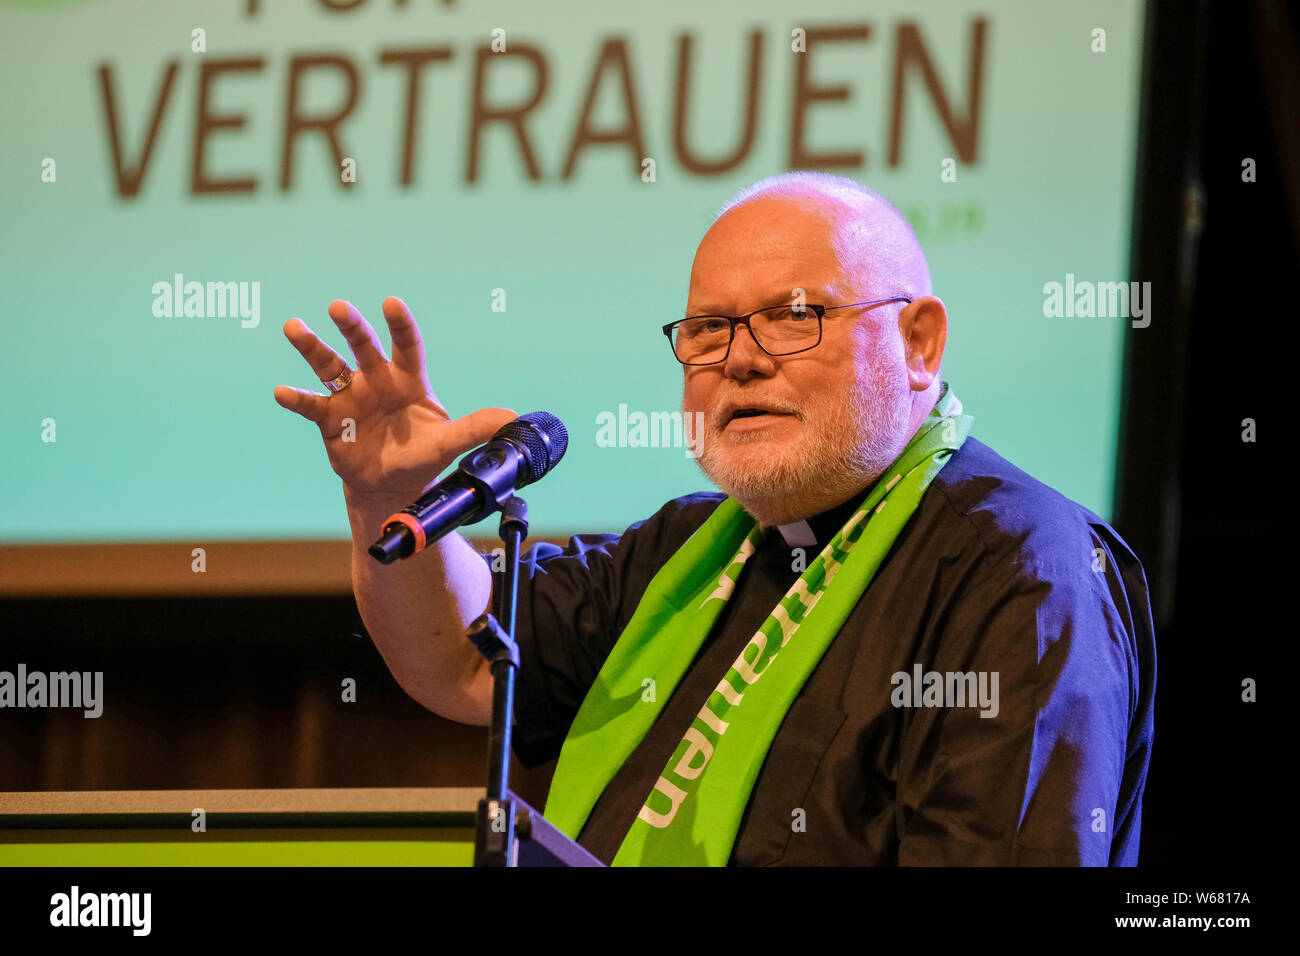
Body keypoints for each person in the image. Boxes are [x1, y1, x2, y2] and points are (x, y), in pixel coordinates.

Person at [273, 172, 1156, 866]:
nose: (738, 360)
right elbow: (461, 656)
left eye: (792, 316)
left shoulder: (1021, 571)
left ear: (918, 343)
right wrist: (383, 500)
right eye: (707, 330)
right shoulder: (686, 552)